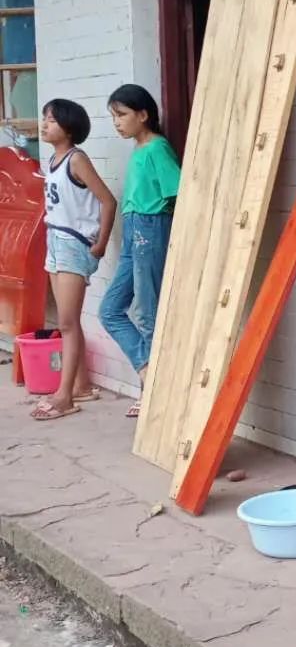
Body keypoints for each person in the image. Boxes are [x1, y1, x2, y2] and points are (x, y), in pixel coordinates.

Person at [99, 85, 180, 418]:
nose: (117, 122)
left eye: (122, 115)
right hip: (133, 231)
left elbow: (179, 191)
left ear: (143, 114)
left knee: (149, 313)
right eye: (113, 116)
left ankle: (155, 392)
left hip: (150, 227)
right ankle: (147, 370)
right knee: (109, 310)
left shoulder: (157, 148)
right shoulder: (139, 149)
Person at [34, 98, 116, 421]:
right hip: (55, 240)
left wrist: (101, 243)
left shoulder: (76, 160)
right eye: (45, 118)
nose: (44, 124)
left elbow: (107, 200)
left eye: (51, 120)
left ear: (68, 128)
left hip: (73, 243)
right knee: (68, 321)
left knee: (66, 323)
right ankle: (80, 385)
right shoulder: (53, 159)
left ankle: (64, 396)